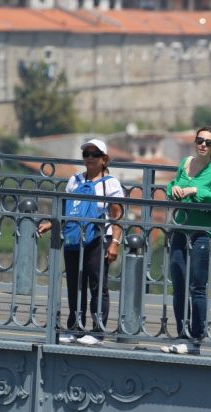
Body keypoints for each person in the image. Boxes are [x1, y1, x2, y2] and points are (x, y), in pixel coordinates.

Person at [38, 139, 124, 346]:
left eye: (95, 155)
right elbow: (67, 208)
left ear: (104, 160)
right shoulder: (74, 180)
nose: (90, 158)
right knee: (75, 284)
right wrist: (51, 223)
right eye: (86, 154)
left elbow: (117, 215)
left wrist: (115, 243)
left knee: (97, 284)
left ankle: (97, 331)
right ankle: (74, 327)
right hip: (74, 237)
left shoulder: (110, 183)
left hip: (98, 238)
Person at [160, 126, 211, 354]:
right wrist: (175, 189)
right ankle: (181, 334)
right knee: (178, 284)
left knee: (196, 287)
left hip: (204, 233)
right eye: (200, 140)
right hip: (181, 229)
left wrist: (194, 192)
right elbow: (171, 186)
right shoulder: (185, 163)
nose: (203, 145)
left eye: (209, 143)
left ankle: (195, 338)